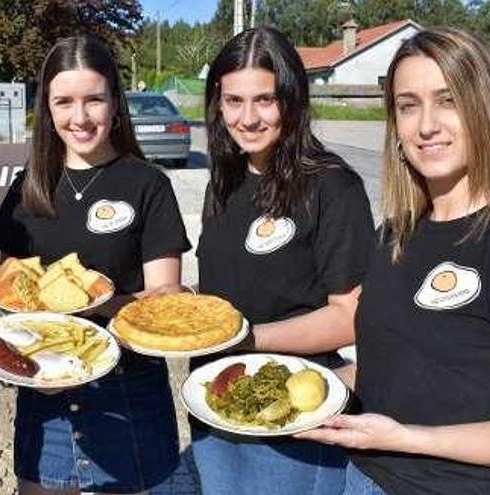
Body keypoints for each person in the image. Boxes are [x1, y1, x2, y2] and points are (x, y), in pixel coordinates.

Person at [297, 27, 490, 494]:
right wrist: (302, 383)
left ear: (485, 108)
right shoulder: (393, 234)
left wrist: (407, 438)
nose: (426, 125)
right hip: (361, 479)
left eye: (447, 100)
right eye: (408, 105)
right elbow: (389, 366)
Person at [0, 34, 191, 494]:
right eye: (64, 101)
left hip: (129, 397)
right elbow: (11, 293)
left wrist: (95, 306)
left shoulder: (148, 185)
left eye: (94, 100)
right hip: (45, 393)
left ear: (115, 103)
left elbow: (162, 300)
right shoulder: (27, 188)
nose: (79, 118)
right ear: (47, 108)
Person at [192, 26, 374, 495]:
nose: (247, 118)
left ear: (292, 101)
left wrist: (247, 340)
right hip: (218, 401)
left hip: (295, 414)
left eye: (265, 100)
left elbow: (351, 316)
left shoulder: (334, 186)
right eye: (233, 101)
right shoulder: (224, 183)